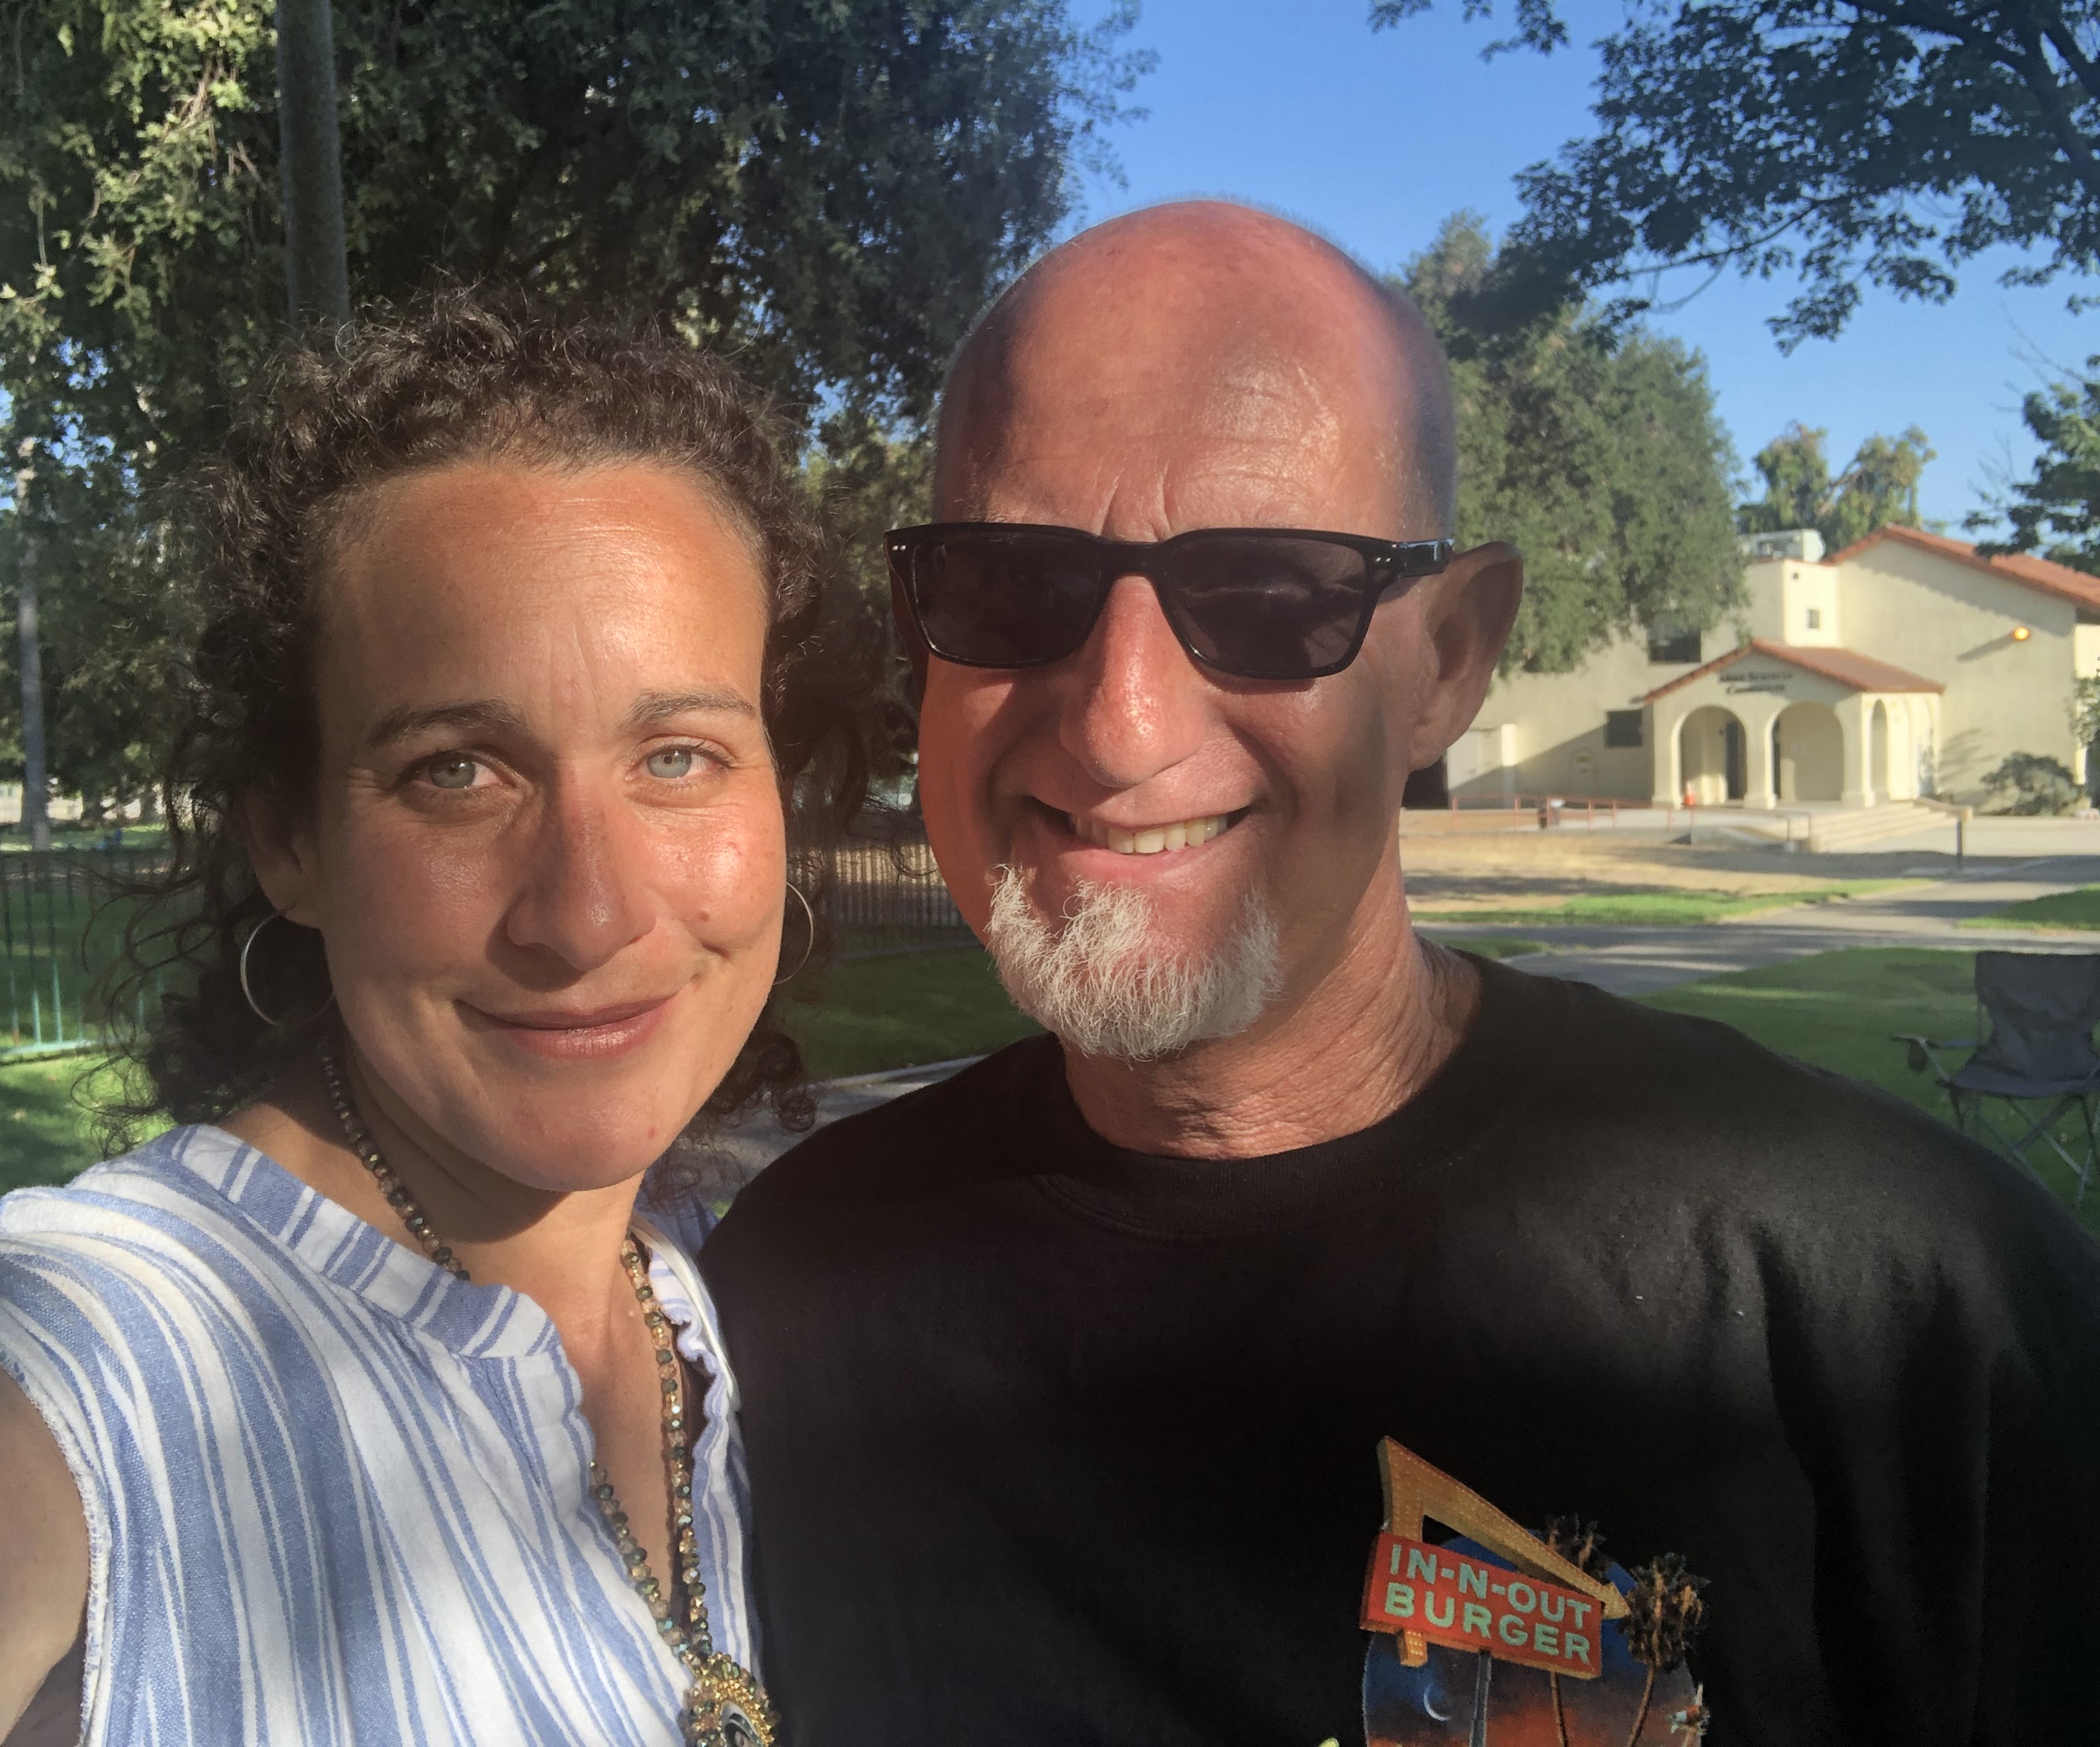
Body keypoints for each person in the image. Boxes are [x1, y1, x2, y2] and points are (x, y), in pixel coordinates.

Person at [699, 201, 2100, 1745]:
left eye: (1266, 594)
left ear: (1448, 660)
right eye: (1009, 583)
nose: (1117, 723)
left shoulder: (1901, 1315)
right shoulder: (778, 1311)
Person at [0, 291, 868, 1746]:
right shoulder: (95, 1359)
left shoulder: (701, 1306)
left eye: (678, 755)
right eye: (456, 771)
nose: (590, 913)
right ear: (290, 841)